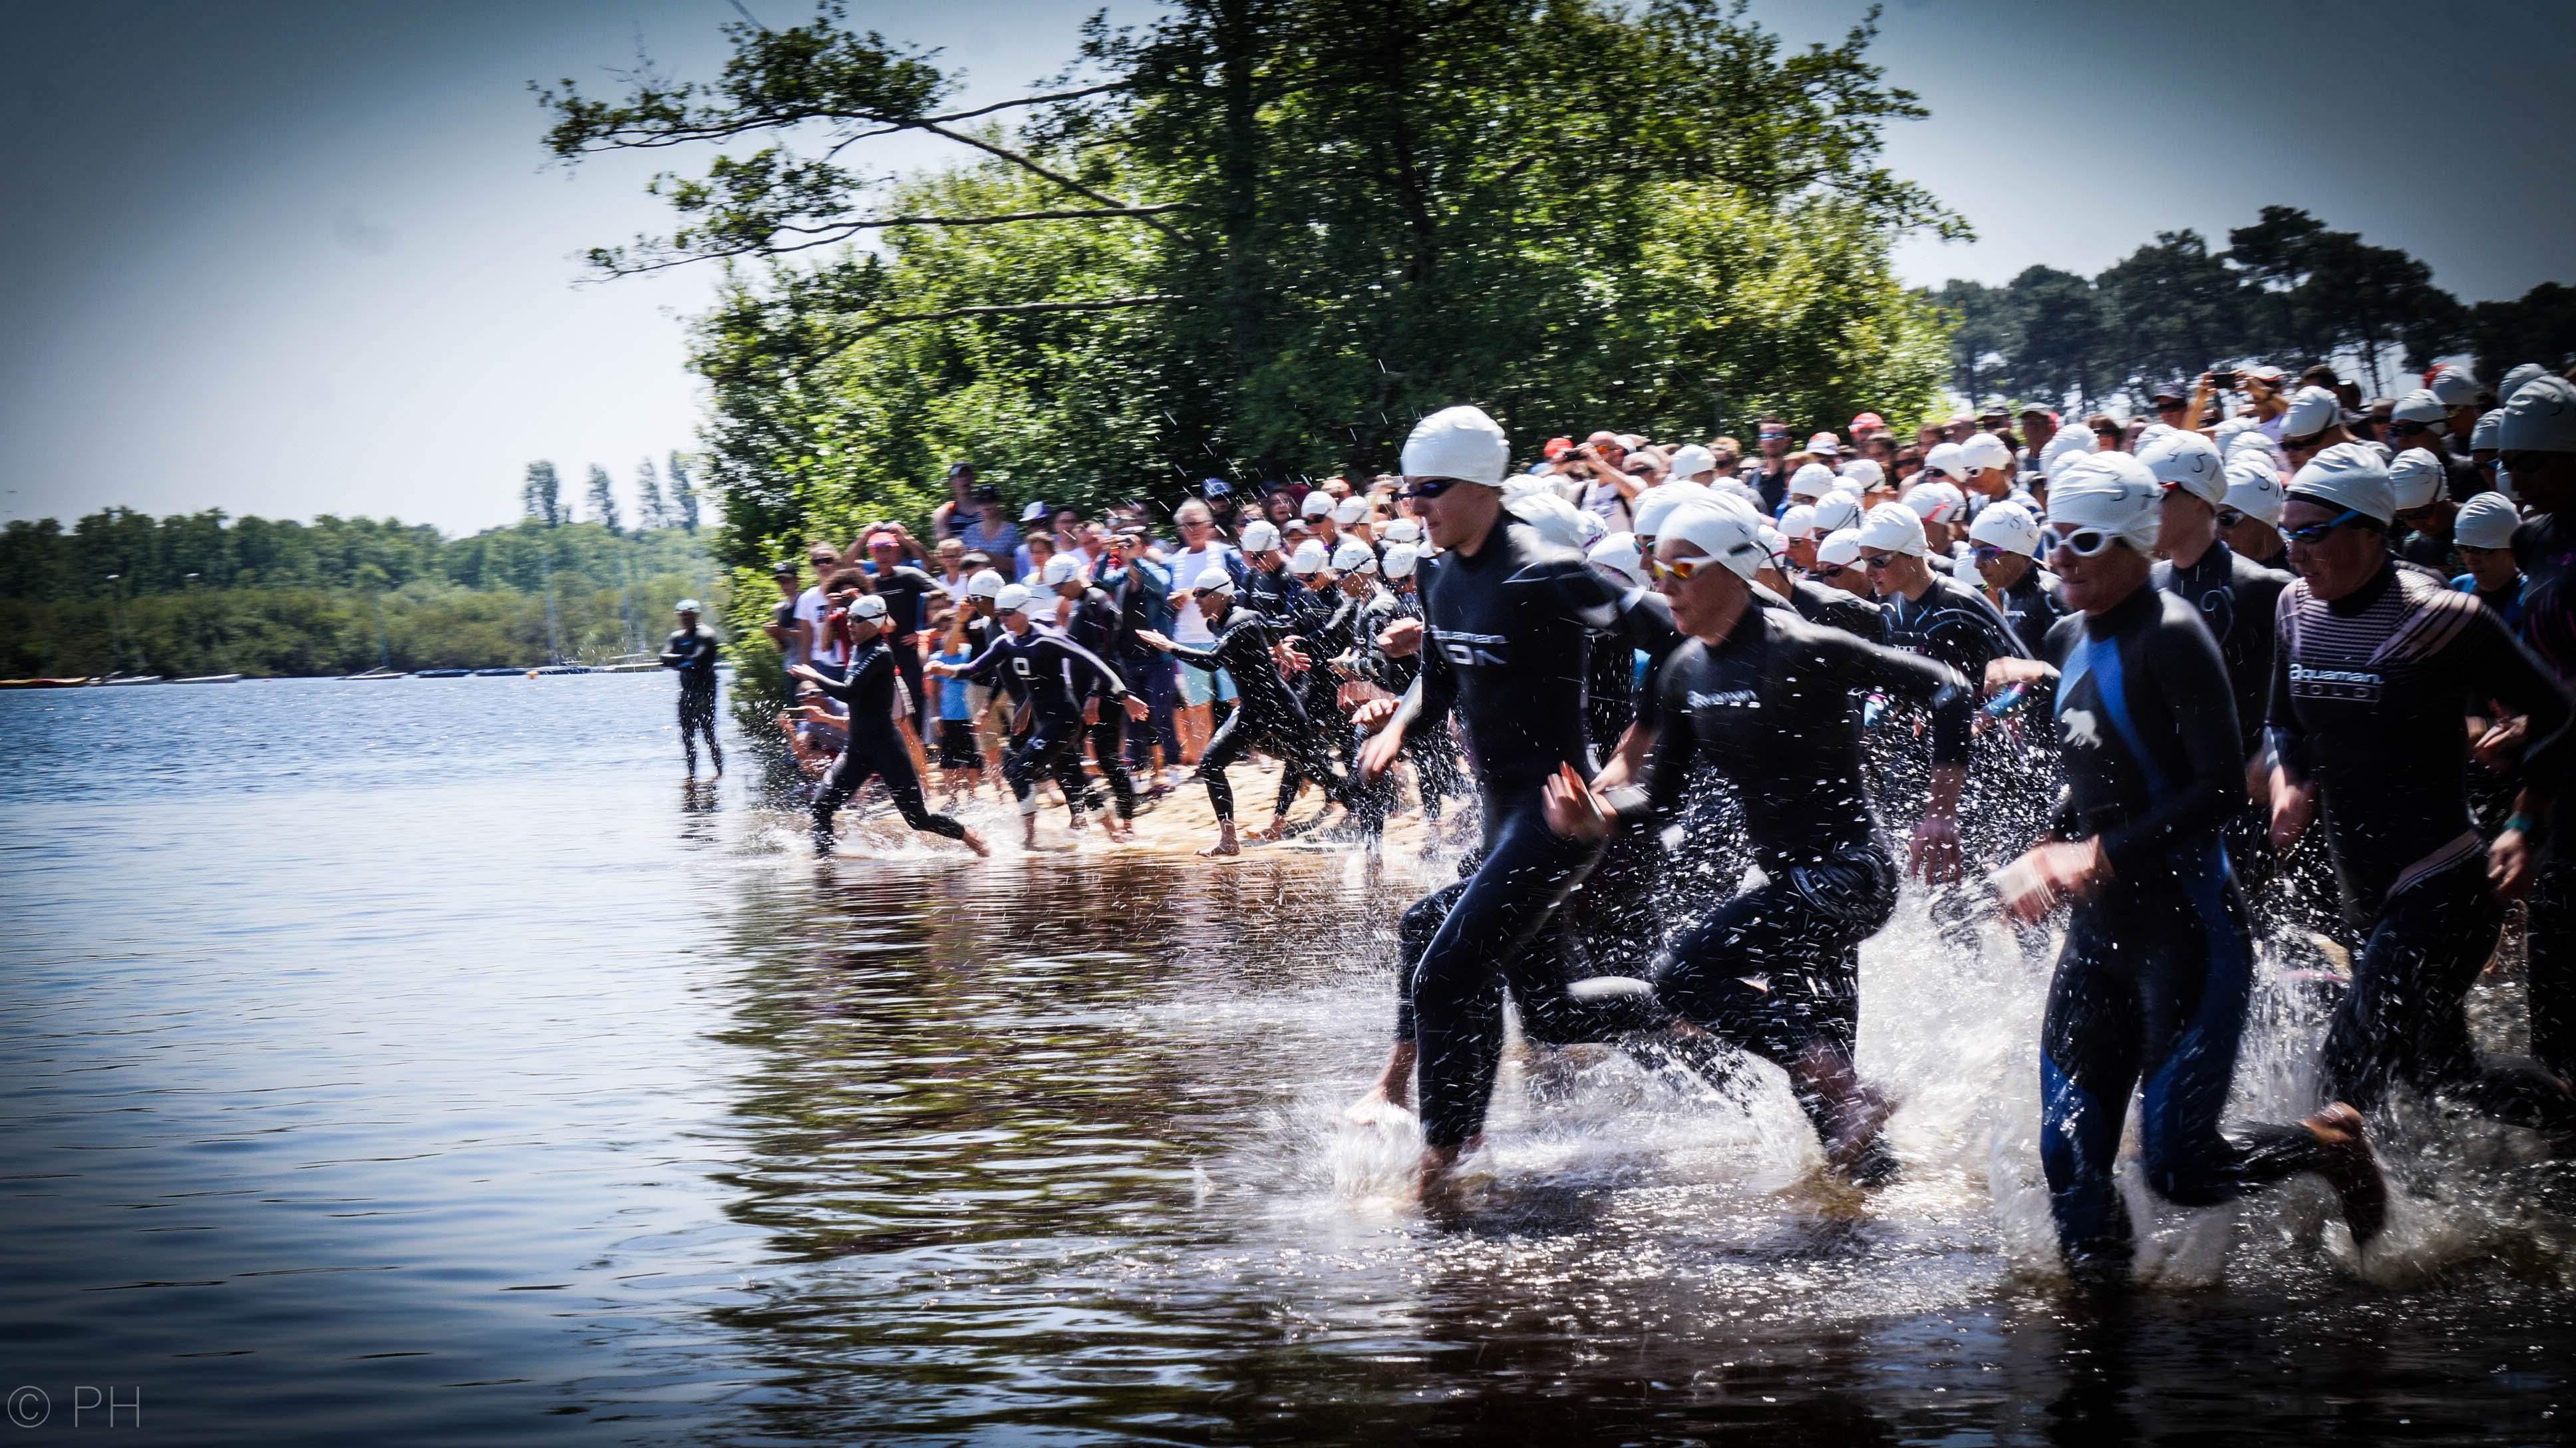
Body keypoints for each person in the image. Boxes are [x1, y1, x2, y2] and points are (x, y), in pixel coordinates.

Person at [1979, 454, 2388, 1286]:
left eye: (2082, 542)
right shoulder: (2064, 635)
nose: (2059, 558)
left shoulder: (2171, 633)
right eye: (2054, 539)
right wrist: (2041, 847)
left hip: (2187, 931)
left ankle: (2328, 1143)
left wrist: (2095, 853)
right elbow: (2096, 775)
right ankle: (2099, 1353)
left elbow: (2212, 790)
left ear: (2133, 541)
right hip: (2098, 939)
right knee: (2066, 1159)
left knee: (2179, 1168)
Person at [1549, 501, 1975, 1180]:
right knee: (1827, 1112)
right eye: (1658, 568)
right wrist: (1595, 816)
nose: (1665, 585)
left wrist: (1939, 814)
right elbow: (1659, 799)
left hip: (1850, 875)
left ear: (1735, 569)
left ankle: (1845, 1089)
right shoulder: (1684, 670)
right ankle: (1878, 1203)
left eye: (1681, 568)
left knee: (1682, 977)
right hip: (1789, 890)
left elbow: (1947, 689)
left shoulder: (1801, 647)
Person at [1341, 406, 1650, 1196]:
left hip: (1555, 817)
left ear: (1481, 485)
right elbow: (1439, 680)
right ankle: (1698, 1003)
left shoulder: (1543, 567)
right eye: (1408, 492)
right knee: (1551, 1013)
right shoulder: (1436, 572)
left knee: (1447, 968)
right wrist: (1401, 723)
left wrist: (1633, 755)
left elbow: (1687, 642)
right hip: (1499, 815)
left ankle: (1444, 1162)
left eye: (1430, 491)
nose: (1415, 507)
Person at [2267, 441, 2576, 1147]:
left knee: (2345, 1067)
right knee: (2443, 1074)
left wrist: (2527, 822)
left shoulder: (2440, 619)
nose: (2296, 552)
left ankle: (2343, 1237)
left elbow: (2555, 710)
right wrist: (2291, 782)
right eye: (2287, 533)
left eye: (2311, 533)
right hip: (2363, 887)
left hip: (2441, 879)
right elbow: (2281, 722)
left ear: (2370, 531)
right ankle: (2564, 1124)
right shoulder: (2292, 610)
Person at [1135, 567, 1351, 857]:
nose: (1196, 601)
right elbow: (1266, 624)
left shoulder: (1239, 621)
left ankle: (1364, 804)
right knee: (1211, 766)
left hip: (1278, 709)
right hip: (1251, 712)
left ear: (1221, 595)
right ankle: (1228, 840)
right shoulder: (1223, 622)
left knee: (1315, 768)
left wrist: (1170, 646)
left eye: (1201, 595)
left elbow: (1213, 661)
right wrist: (1279, 648)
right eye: (1194, 595)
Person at [930, 584, 1144, 848]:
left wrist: (1125, 696)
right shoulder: (1005, 642)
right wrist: (945, 670)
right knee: (1073, 777)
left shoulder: (1046, 638)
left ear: (1023, 611)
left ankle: (1029, 840)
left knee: (1019, 770)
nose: (1004, 619)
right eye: (1001, 613)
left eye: (1008, 613)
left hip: (1065, 720)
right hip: (1045, 722)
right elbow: (976, 668)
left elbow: (1095, 662)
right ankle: (1115, 834)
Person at [2499, 374, 2576, 1083]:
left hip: (2553, 770)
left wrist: (2525, 812)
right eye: (2507, 460)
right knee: (2552, 949)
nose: (2515, 474)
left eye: (2532, 460)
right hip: (2559, 762)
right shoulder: (2531, 541)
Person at [794, 594, 988, 858]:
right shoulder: (857, 650)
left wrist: (814, 676)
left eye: (857, 619)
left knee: (918, 819)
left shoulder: (880, 654)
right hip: (858, 749)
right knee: (821, 807)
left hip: (886, 748)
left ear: (874, 624)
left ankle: (971, 838)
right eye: (849, 618)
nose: (849, 623)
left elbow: (850, 692)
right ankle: (825, 867)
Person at [1045, 553, 1143, 830]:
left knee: (1106, 755)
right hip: (1090, 691)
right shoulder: (1081, 604)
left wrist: (1094, 695)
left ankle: (1127, 822)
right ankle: (1083, 814)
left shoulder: (1097, 601)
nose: (1058, 594)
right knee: (1063, 751)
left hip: (1104, 691)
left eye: (1059, 587)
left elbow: (1106, 652)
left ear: (1073, 578)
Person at [1164, 500, 1238, 763]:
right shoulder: (1174, 562)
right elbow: (1163, 600)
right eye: (1187, 524)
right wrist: (1173, 601)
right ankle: (1202, 760)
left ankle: (1257, 751)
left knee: (1238, 698)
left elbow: (1241, 592)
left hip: (1223, 637)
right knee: (1198, 705)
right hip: (1188, 640)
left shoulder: (1227, 554)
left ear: (1209, 525)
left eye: (1197, 523)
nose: (1192, 529)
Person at [1967, 502, 2060, 657]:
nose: (1977, 564)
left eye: (1987, 553)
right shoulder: (2005, 590)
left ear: (2018, 551)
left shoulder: (2050, 593)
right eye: (1974, 552)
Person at [659, 599, 724, 779]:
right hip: (687, 692)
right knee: (687, 737)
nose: (685, 619)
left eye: (689, 616)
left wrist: (678, 661)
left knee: (708, 735)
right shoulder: (677, 637)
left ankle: (720, 775)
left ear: (697, 616)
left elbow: (698, 660)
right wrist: (684, 659)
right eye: (682, 616)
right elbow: (663, 657)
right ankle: (692, 777)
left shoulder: (706, 635)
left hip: (705, 692)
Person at [2452, 491, 2526, 628]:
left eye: (2483, 550)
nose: (2470, 559)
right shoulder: (2457, 589)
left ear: (2512, 549)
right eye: (2462, 548)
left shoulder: (2531, 600)